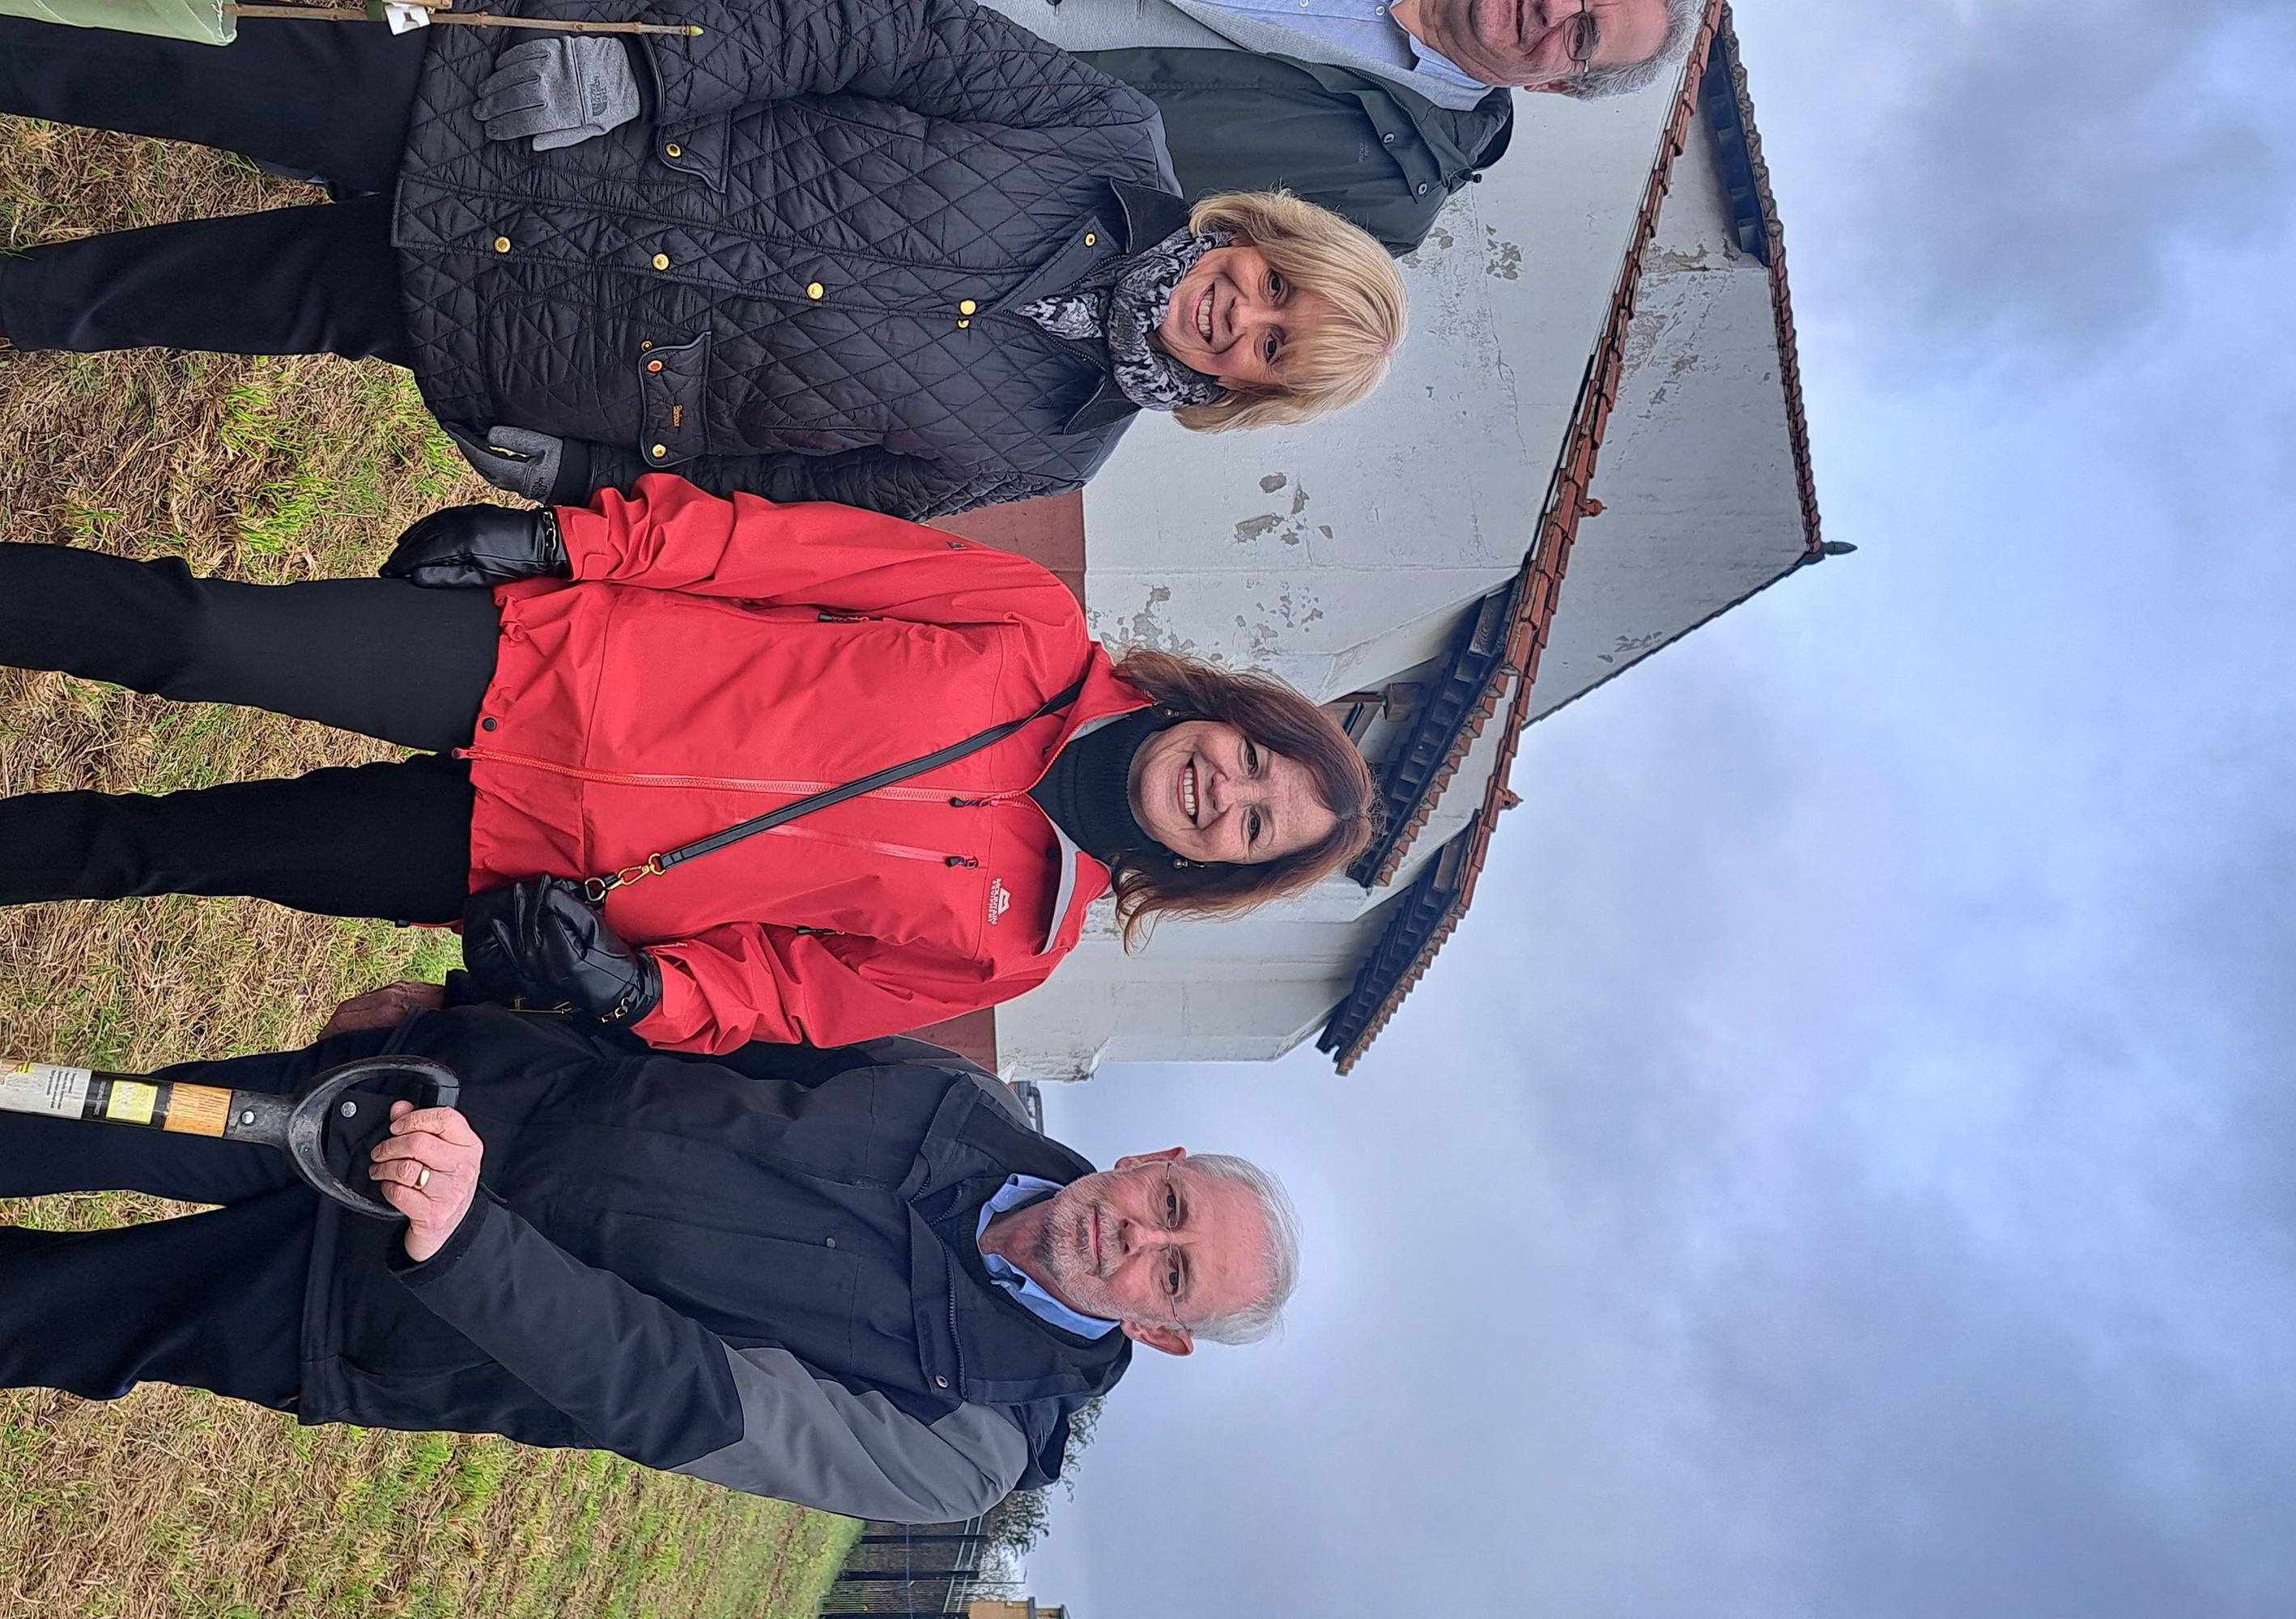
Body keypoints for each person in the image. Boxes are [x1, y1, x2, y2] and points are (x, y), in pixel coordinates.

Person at [0, 478, 1377, 1052]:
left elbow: (784, 996)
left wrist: (632, 985)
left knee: (169, 849)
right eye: (1255, 765)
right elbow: (780, 553)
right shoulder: (1029, 624)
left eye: (1252, 829)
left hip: (528, 868)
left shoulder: (1013, 947)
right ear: (1230, 713)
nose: (1225, 793)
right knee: (194, 631)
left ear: (1208, 871)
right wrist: (569, 543)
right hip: (539, 660)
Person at [0, 2, 1406, 521]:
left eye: (1274, 347)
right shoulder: (1104, 131)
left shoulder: (1046, 453)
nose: (1248, 313)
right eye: (1283, 284)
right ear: (1273, 236)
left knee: (136, 303)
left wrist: (586, 476)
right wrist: (630, 71)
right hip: (525, 116)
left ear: (1250, 392)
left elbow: (779, 496)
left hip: (507, 326)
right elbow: (874, 33)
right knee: (151, 63)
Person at [0, 992, 1300, 1520]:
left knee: (49, 1311)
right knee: (64, 1123)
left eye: (1170, 1273)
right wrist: (468, 1014)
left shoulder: (971, 1445)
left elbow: (682, 1398)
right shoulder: (957, 1098)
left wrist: (464, 1245)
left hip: (391, 1315)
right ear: (1154, 1160)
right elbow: (688, 1031)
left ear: (1156, 1331)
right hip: (414, 1103)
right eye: (1171, 1203)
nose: (1137, 1236)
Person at [979, 0, 1707, 255]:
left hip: (961, 93)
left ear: (1555, 84)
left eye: (1583, 36)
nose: (1556, 8)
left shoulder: (1388, 200)